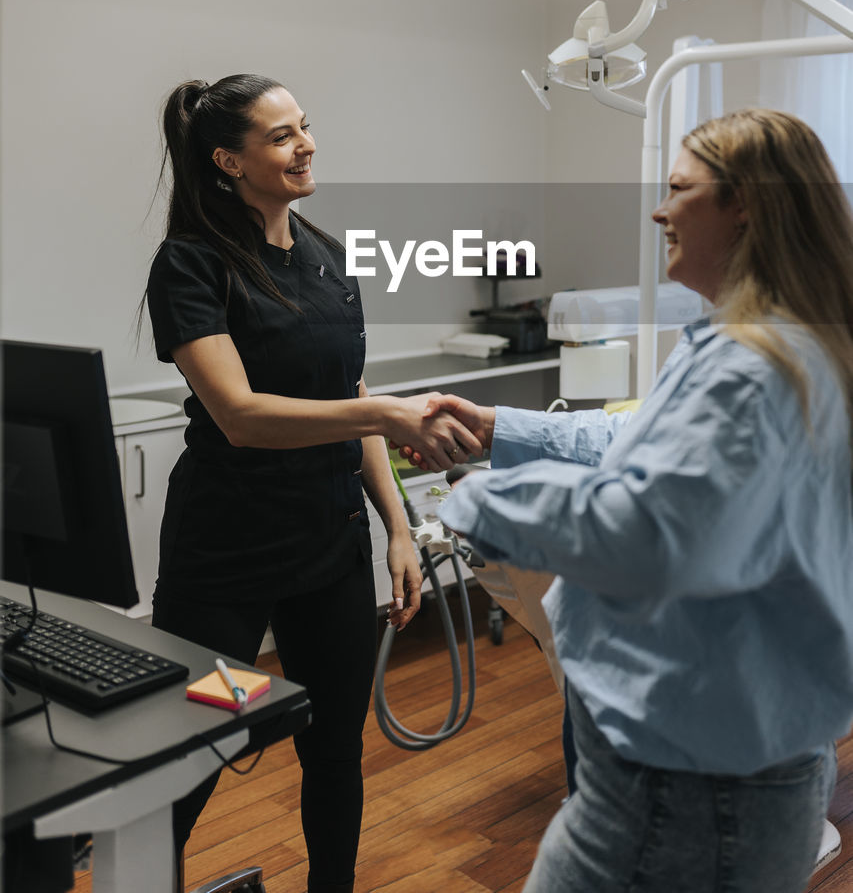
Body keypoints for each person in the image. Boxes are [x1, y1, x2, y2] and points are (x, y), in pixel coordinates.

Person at [413, 109, 853, 892]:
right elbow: (639, 449)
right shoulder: (776, 340)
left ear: (744, 203)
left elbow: (647, 531)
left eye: (679, 190)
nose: (658, 210)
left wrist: (479, 500)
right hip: (712, 757)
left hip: (690, 788)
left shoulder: (752, 368)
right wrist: (499, 429)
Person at [143, 74, 480, 893]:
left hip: (328, 548)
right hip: (224, 557)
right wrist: (387, 421)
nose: (308, 145)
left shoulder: (326, 255)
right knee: (197, 748)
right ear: (229, 159)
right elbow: (241, 416)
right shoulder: (191, 264)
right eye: (283, 135)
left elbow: (353, 401)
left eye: (306, 127)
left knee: (334, 750)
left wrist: (396, 528)